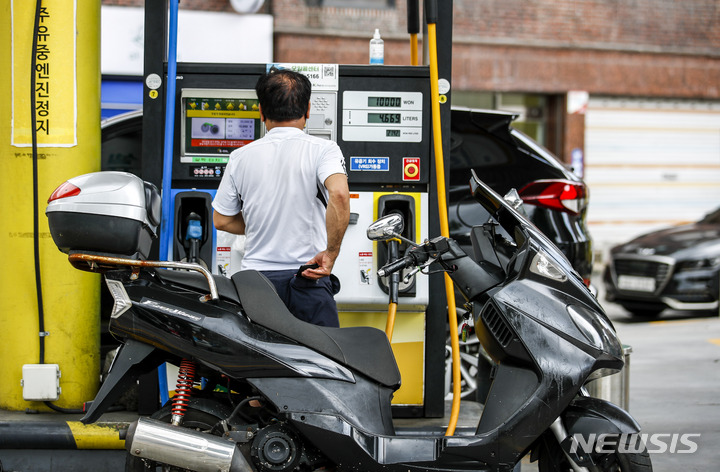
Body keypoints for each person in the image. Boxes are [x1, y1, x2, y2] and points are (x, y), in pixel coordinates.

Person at [212, 69, 350, 327]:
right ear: (308, 110)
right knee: (320, 364)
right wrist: (331, 252)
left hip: (254, 285)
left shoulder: (240, 157)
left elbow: (221, 220)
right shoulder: (323, 150)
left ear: (261, 112)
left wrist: (260, 223)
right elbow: (340, 195)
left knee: (258, 364)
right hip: (307, 278)